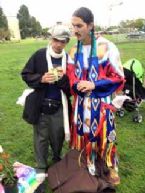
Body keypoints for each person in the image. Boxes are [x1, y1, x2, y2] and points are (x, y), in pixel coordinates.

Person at [67, 7, 125, 185]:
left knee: (104, 135)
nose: (75, 30)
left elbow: (118, 77)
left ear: (90, 25)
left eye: (79, 26)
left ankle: (109, 164)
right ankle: (89, 161)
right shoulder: (73, 51)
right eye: (73, 26)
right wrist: (77, 84)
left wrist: (94, 84)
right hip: (81, 103)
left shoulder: (106, 47)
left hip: (101, 102)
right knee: (83, 133)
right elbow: (71, 75)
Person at [21, 24, 71, 177]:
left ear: (67, 42)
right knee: (41, 137)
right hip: (41, 104)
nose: (58, 44)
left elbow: (71, 88)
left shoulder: (69, 60)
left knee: (58, 136)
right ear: (51, 39)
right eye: (56, 40)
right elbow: (26, 74)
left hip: (59, 106)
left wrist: (63, 80)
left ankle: (57, 158)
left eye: (62, 41)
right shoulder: (40, 55)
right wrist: (41, 78)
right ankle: (41, 165)